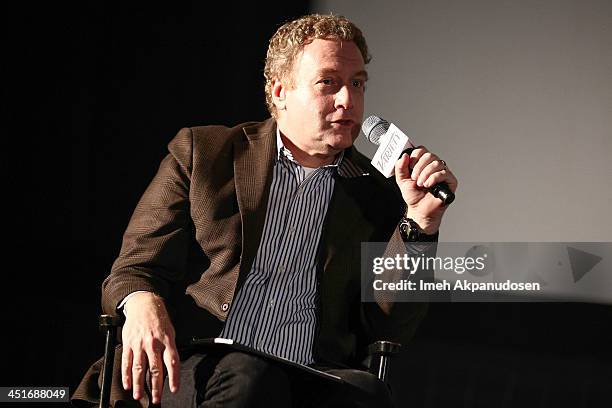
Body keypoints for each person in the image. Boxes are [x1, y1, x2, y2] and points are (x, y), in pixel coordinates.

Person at [73, 13, 457, 407]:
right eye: (329, 82)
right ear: (279, 92)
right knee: (250, 375)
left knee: (366, 394)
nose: (348, 100)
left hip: (307, 375)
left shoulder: (379, 194)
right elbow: (134, 268)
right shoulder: (204, 155)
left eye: (357, 84)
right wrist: (140, 301)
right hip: (191, 365)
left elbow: (390, 327)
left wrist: (420, 223)